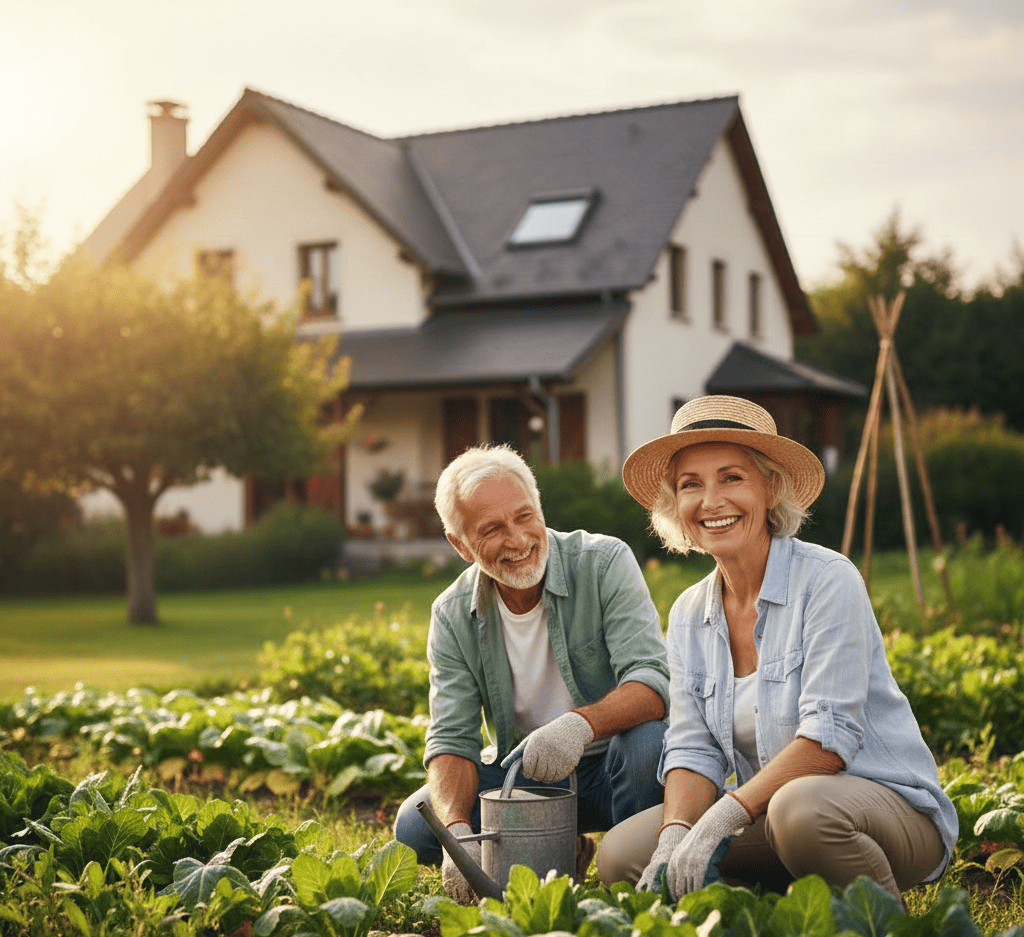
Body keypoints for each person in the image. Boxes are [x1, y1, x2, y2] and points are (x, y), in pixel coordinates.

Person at [596, 395, 957, 903]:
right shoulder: (686, 613)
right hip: (771, 812)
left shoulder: (828, 580)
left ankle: (878, 917)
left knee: (800, 811)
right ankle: (779, 909)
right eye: (690, 485)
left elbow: (829, 740)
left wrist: (723, 814)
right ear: (674, 505)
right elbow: (691, 746)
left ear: (771, 488)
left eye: (732, 478)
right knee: (623, 854)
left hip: (886, 811)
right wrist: (678, 828)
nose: (711, 501)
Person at [393, 444, 670, 903]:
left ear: (540, 509)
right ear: (461, 544)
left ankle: (631, 869)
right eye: (492, 529)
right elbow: (451, 739)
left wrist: (578, 726)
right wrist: (458, 835)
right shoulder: (451, 613)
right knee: (417, 827)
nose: (519, 540)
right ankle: (562, 849)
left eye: (525, 516)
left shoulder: (603, 563)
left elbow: (654, 682)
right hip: (526, 781)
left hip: (612, 769)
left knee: (650, 746)